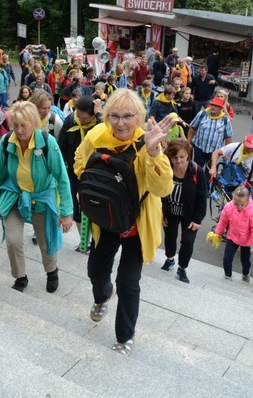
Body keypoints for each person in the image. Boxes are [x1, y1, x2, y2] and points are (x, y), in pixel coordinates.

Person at [74, 88, 174, 356]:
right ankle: (102, 296)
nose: (120, 123)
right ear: (106, 116)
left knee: (128, 282)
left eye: (128, 116)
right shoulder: (96, 136)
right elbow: (79, 161)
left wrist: (154, 154)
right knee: (96, 270)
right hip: (106, 218)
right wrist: (90, 183)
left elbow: (162, 188)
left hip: (136, 224)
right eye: (114, 116)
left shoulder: (148, 143)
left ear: (139, 117)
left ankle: (125, 336)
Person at [0, 102, 72, 293]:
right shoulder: (6, 142)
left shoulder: (47, 142)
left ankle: (52, 272)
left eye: (23, 125)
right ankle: (20, 276)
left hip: (41, 198)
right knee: (12, 240)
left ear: (34, 123)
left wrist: (66, 212)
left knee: (46, 242)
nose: (18, 130)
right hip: (14, 196)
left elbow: (62, 177)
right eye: (15, 125)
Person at [160, 138, 207, 284]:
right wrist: (161, 214)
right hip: (170, 211)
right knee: (169, 237)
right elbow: (160, 192)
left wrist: (198, 219)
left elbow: (202, 197)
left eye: (182, 156)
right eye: (175, 157)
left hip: (189, 214)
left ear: (188, 155)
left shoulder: (197, 171)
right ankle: (170, 259)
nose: (178, 161)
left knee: (187, 241)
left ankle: (182, 268)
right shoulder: (166, 168)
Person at [57, 95, 102, 241]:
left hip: (95, 174)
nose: (81, 121)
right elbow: (61, 145)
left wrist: (100, 115)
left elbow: (110, 132)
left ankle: (96, 239)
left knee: (95, 205)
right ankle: (84, 241)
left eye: (85, 118)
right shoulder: (70, 121)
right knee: (77, 206)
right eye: (79, 116)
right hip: (73, 172)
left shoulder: (100, 125)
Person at [211, 186, 253, 281]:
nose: (238, 206)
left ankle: (246, 273)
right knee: (227, 258)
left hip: (246, 240)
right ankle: (227, 275)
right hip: (232, 236)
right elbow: (223, 221)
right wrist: (217, 234)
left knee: (245, 261)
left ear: (247, 202)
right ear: (233, 198)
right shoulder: (229, 207)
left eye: (242, 204)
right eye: (236, 203)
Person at [209, 134, 253, 200]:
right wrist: (213, 167)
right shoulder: (235, 146)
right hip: (230, 180)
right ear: (244, 143)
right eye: (248, 147)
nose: (249, 150)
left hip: (246, 185)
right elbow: (216, 153)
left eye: (252, 148)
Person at [187, 96, 233, 176]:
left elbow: (228, 137)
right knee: (196, 171)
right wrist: (188, 143)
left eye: (216, 106)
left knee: (209, 173)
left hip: (214, 152)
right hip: (199, 148)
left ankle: (206, 187)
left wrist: (227, 153)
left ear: (221, 108)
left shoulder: (225, 120)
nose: (213, 107)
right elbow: (192, 128)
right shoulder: (202, 114)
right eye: (212, 105)